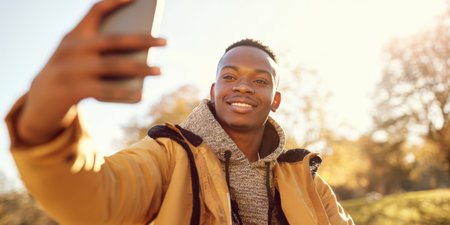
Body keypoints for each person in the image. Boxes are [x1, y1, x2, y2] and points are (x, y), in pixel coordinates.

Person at [5, 0, 354, 224]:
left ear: (275, 100)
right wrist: (45, 117)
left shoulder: (306, 178)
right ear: (215, 92)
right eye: (230, 76)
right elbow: (95, 198)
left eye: (260, 81)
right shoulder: (168, 156)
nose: (243, 86)